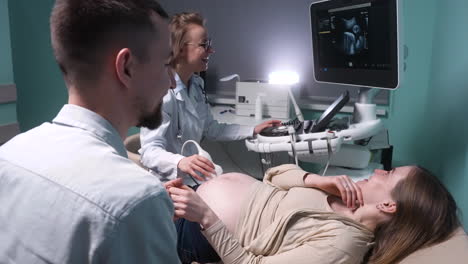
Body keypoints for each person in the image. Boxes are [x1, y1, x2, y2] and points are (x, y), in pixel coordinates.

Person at [0, 0, 181, 263]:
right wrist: (142, 210)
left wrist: (145, 216)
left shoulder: (8, 155)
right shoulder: (136, 200)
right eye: (166, 64)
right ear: (127, 67)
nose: (172, 81)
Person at [166, 164, 460, 264]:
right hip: (191, 202)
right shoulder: (343, 196)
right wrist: (318, 180)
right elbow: (273, 177)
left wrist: (205, 216)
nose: (380, 170)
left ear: (388, 205)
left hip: (196, 231)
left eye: (390, 173)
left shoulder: (343, 245)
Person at [139, 12, 281, 184]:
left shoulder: (196, 85)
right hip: (168, 183)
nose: (211, 50)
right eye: (204, 44)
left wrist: (252, 129)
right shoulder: (162, 92)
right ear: (181, 48)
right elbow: (149, 151)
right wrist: (180, 161)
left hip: (195, 178)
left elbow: (211, 129)